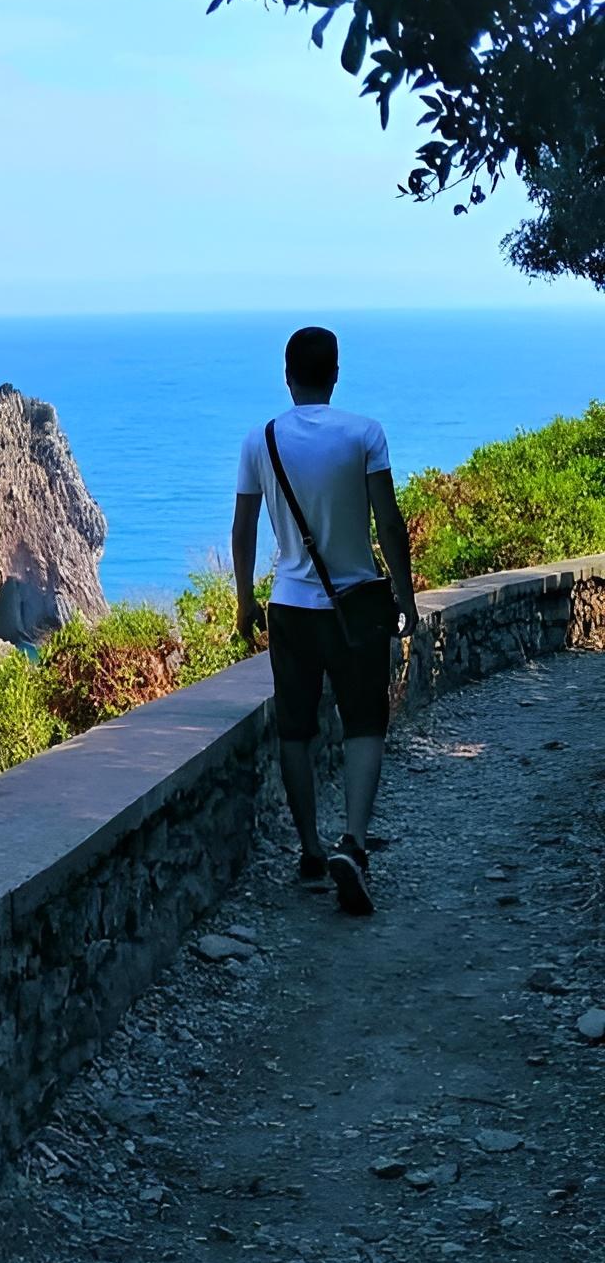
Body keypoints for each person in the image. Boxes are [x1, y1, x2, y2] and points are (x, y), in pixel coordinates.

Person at [231, 326, 418, 915]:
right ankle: (354, 844)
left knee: (296, 729)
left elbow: (243, 531)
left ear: (287, 375)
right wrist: (406, 597)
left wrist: (244, 601)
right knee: (365, 724)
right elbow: (389, 524)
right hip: (358, 603)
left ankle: (310, 849)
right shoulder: (365, 434)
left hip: (289, 606)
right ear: (335, 374)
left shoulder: (260, 440)